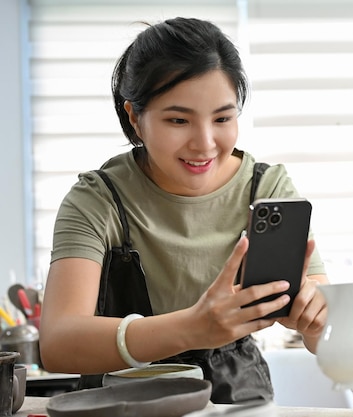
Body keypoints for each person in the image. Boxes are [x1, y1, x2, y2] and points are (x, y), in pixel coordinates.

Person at [38, 17, 328, 403]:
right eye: (178, 120)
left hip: (236, 394)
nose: (205, 144)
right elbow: (58, 343)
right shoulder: (98, 198)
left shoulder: (267, 189)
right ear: (134, 118)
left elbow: (324, 334)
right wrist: (193, 327)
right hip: (123, 400)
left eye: (223, 118)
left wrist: (314, 317)